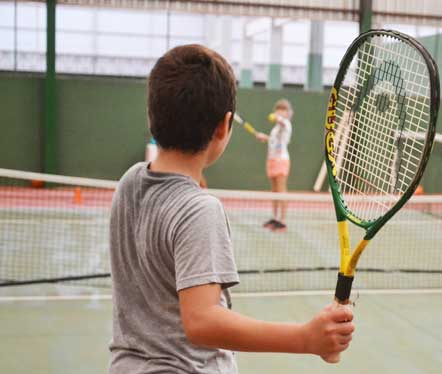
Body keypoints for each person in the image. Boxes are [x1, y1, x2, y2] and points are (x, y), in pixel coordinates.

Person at [109, 44, 353, 373]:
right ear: (224, 127)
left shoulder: (129, 182)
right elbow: (201, 321)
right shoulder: (199, 211)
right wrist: (305, 338)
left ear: (152, 115)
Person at [254, 100, 293, 232]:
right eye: (278, 109)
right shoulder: (275, 129)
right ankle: (275, 218)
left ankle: (283, 221)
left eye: (283, 110)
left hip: (281, 160)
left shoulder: (285, 124)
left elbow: (282, 121)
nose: (279, 112)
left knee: (281, 191)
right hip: (271, 160)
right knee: (275, 191)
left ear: (287, 113)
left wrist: (278, 117)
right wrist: (264, 137)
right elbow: (273, 141)